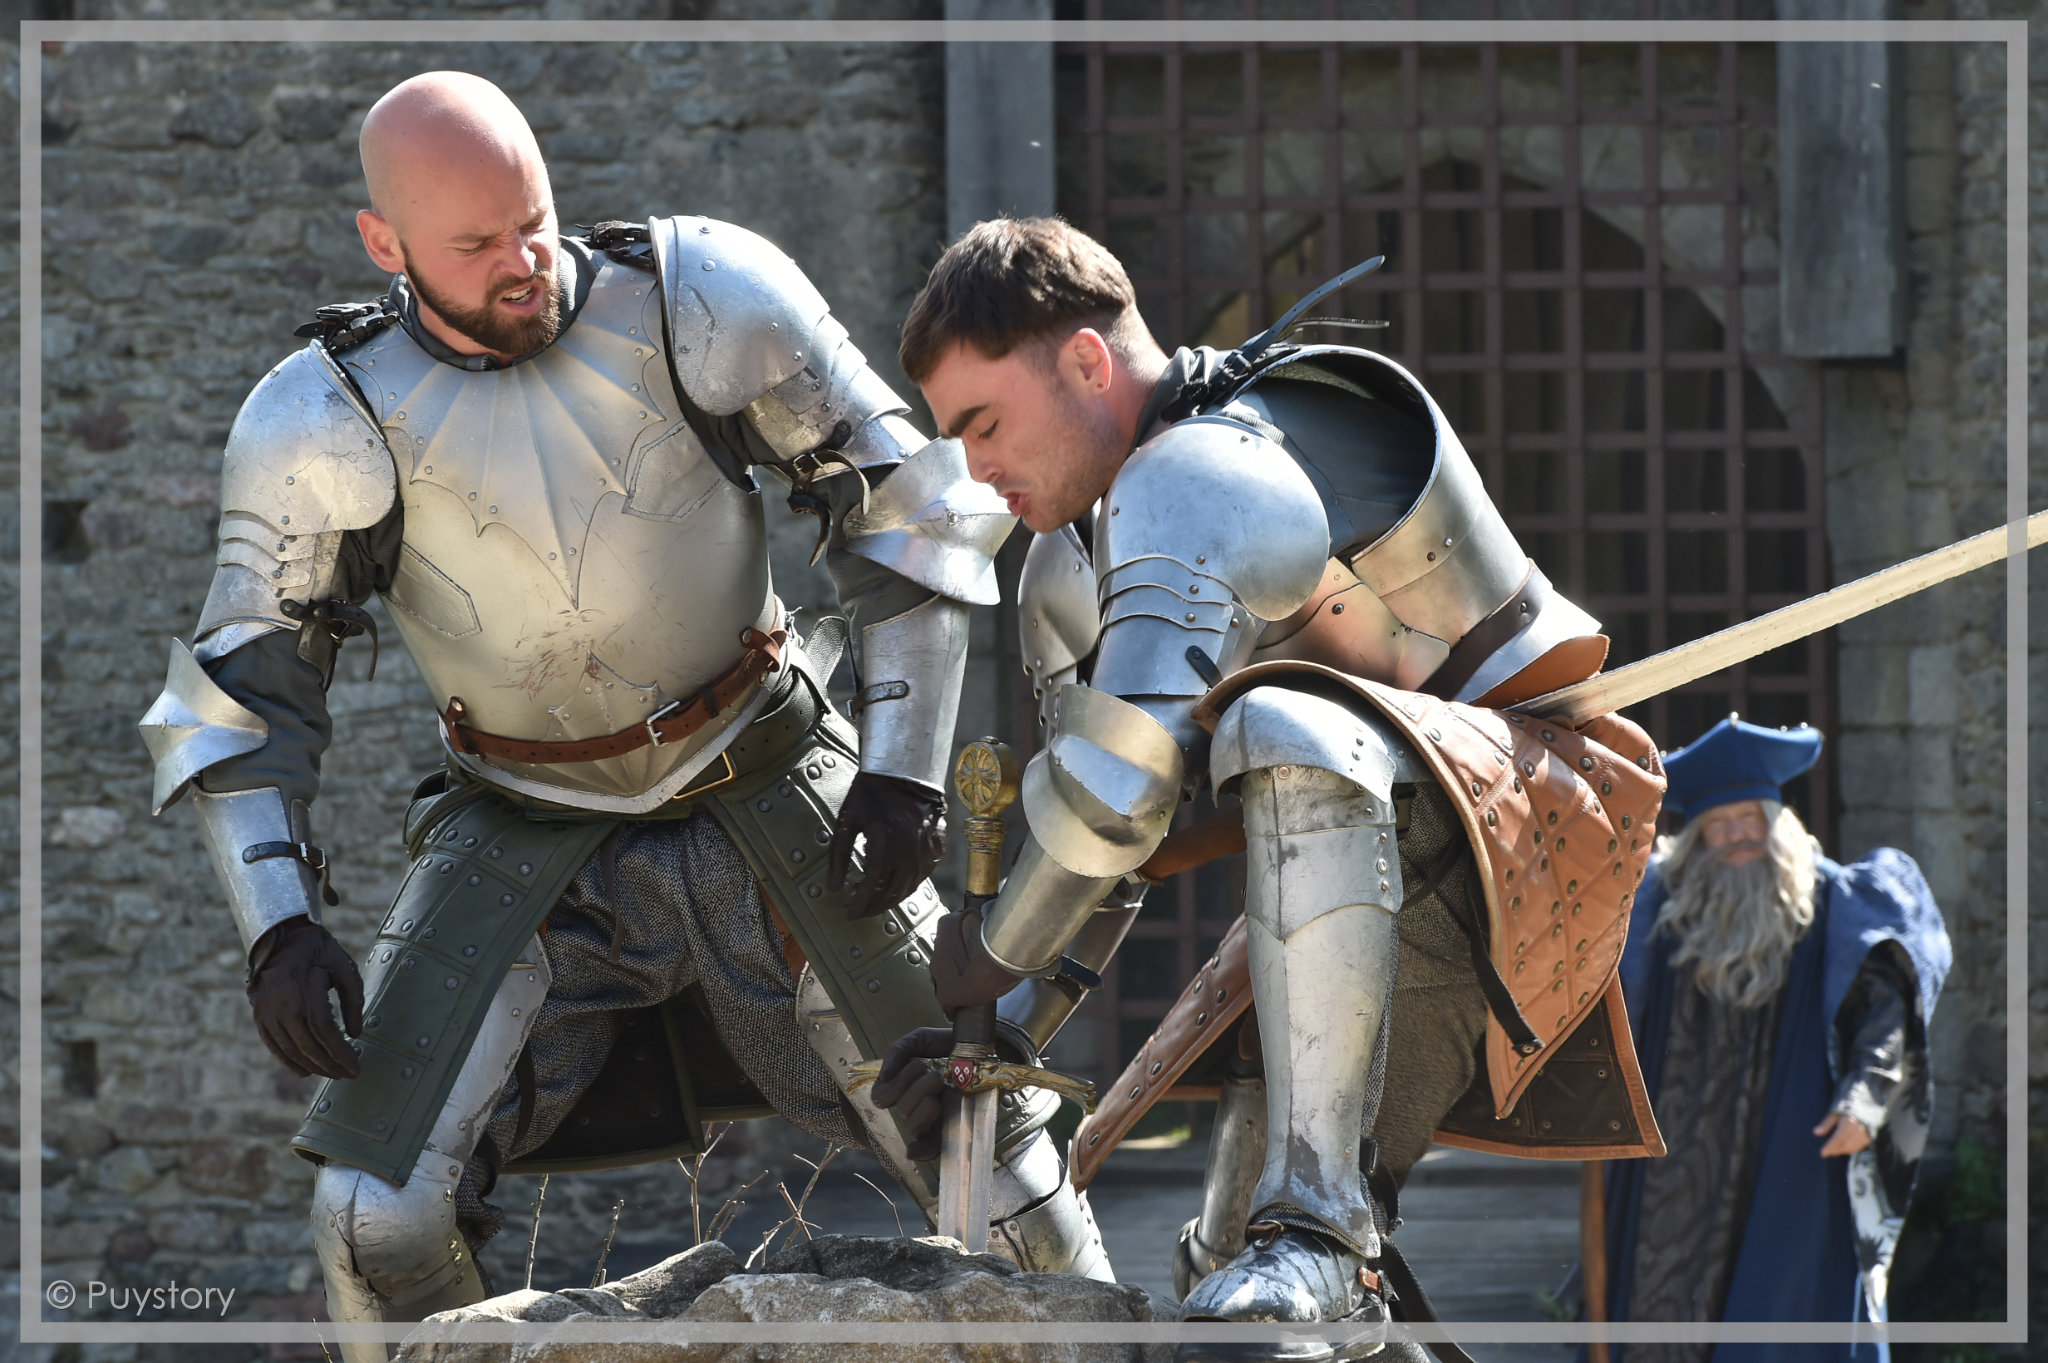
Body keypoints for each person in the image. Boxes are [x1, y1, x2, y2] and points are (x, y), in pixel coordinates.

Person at [138, 74, 1109, 1361]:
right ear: (385, 245)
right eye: (474, 246)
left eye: (532, 222)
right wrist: (277, 930)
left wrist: (901, 767)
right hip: (518, 829)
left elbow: (906, 504)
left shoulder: (701, 297)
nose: (522, 263)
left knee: (1003, 1164)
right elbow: (233, 695)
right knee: (370, 1213)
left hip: (770, 770)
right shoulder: (322, 419)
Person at [868, 216, 1670, 1362]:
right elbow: (1117, 848)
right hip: (1357, 852)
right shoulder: (1063, 567)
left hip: (1536, 817)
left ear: (1087, 363)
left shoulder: (1203, 468)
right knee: (1227, 1289)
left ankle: (1322, 1223)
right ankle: (1312, 1243)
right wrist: (990, 1030)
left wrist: (993, 948)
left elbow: (1110, 790)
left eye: (983, 424)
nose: (975, 469)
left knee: (1284, 722)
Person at [1594, 716, 1950, 1363]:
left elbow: (1885, 1008)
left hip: (1793, 1152)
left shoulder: (1839, 902)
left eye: (1749, 819)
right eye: (1718, 825)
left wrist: (1866, 1096)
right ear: (1695, 838)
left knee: (1782, 1326)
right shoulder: (1655, 913)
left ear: (1777, 822)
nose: (1736, 838)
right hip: (1675, 1170)